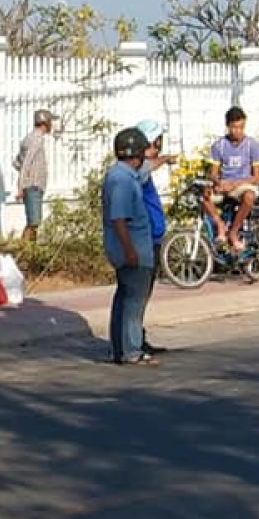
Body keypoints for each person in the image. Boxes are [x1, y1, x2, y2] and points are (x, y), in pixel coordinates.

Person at [102, 126, 156, 366]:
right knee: (134, 302)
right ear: (136, 154)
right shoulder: (122, 180)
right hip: (133, 249)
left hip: (128, 248)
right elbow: (119, 219)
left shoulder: (120, 176)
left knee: (124, 299)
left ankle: (119, 349)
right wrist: (130, 250)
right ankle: (131, 350)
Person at [135, 119, 174, 357]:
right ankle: (133, 340)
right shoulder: (138, 168)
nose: (158, 146)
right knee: (137, 294)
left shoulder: (142, 167)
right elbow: (147, 167)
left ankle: (137, 336)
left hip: (153, 237)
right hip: (145, 239)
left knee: (143, 293)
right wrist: (164, 159)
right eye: (157, 141)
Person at [201, 106, 259, 251]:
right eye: (235, 127)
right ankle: (220, 225)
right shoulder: (219, 146)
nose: (238, 131)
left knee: (249, 197)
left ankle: (234, 232)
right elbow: (213, 173)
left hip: (243, 184)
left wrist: (235, 184)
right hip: (225, 185)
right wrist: (219, 183)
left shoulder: (253, 146)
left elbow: (257, 177)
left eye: (241, 127)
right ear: (228, 126)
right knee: (204, 195)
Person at [14, 109, 56, 242]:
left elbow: (17, 162)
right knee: (34, 222)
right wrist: (21, 186)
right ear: (45, 123)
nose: (52, 125)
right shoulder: (37, 139)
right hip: (33, 185)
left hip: (31, 185)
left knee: (33, 221)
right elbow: (26, 163)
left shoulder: (28, 137)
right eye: (50, 122)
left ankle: (29, 251)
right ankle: (25, 251)